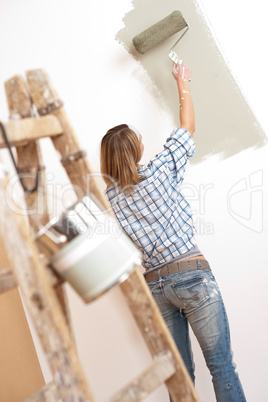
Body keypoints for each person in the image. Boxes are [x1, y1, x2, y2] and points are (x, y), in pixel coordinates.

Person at [100, 61, 246, 402]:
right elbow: (188, 127)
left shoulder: (109, 199)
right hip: (192, 277)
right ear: (136, 150)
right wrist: (183, 82)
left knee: (180, 379)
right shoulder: (161, 169)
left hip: (156, 289)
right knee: (222, 368)